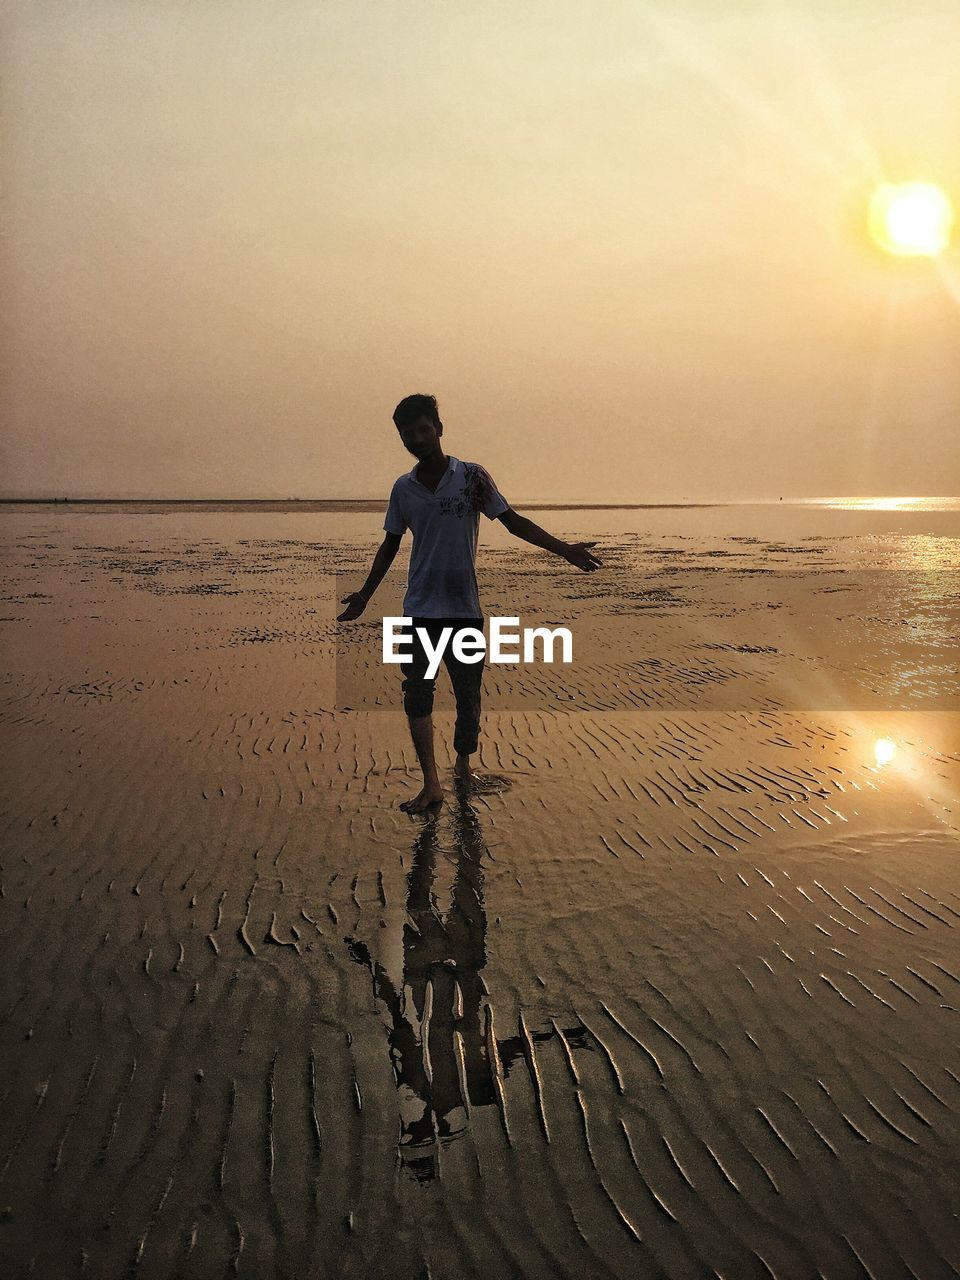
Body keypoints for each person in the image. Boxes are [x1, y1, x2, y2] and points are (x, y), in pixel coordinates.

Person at [337, 394, 601, 812]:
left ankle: (462, 765)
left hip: (464, 610)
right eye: (409, 433)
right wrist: (365, 594)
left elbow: (512, 522)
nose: (418, 438)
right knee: (417, 693)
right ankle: (431, 784)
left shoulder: (473, 477)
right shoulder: (403, 489)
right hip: (420, 610)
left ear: (439, 428)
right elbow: (390, 544)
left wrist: (564, 549)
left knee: (468, 699)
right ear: (401, 438)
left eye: (424, 429)